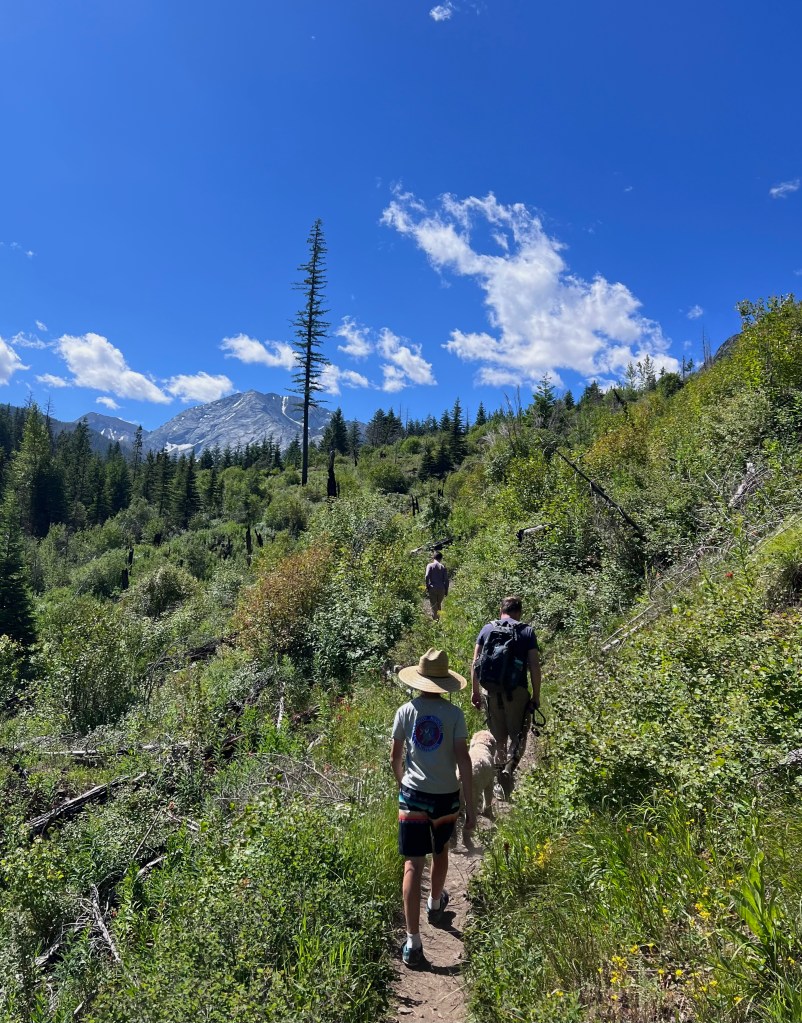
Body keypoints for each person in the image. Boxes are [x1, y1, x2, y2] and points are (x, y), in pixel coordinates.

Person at [391, 649, 475, 968]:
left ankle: (413, 943)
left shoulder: (405, 711)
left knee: (413, 864)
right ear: (444, 683)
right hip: (445, 796)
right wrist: (469, 801)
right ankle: (436, 903)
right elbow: (463, 759)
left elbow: (395, 757)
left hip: (413, 794)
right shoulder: (454, 716)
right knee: (440, 851)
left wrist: (404, 785)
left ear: (420, 679)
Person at [471, 596, 541, 797]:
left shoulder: (487, 629)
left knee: (498, 738)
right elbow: (534, 666)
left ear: (501, 610)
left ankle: (498, 778)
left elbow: (475, 662)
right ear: (519, 612)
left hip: (491, 692)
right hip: (517, 692)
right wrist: (536, 695)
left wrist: (475, 691)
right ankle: (509, 769)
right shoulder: (526, 632)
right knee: (518, 735)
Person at [424, 551, 449, 620]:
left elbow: (427, 576)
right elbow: (446, 580)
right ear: (441, 558)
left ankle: (436, 621)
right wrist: (446, 590)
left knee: (434, 605)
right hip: (442, 589)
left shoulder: (430, 565)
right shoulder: (443, 567)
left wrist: (427, 585)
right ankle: (438, 620)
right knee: (438, 604)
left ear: (433, 557)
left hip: (433, 588)